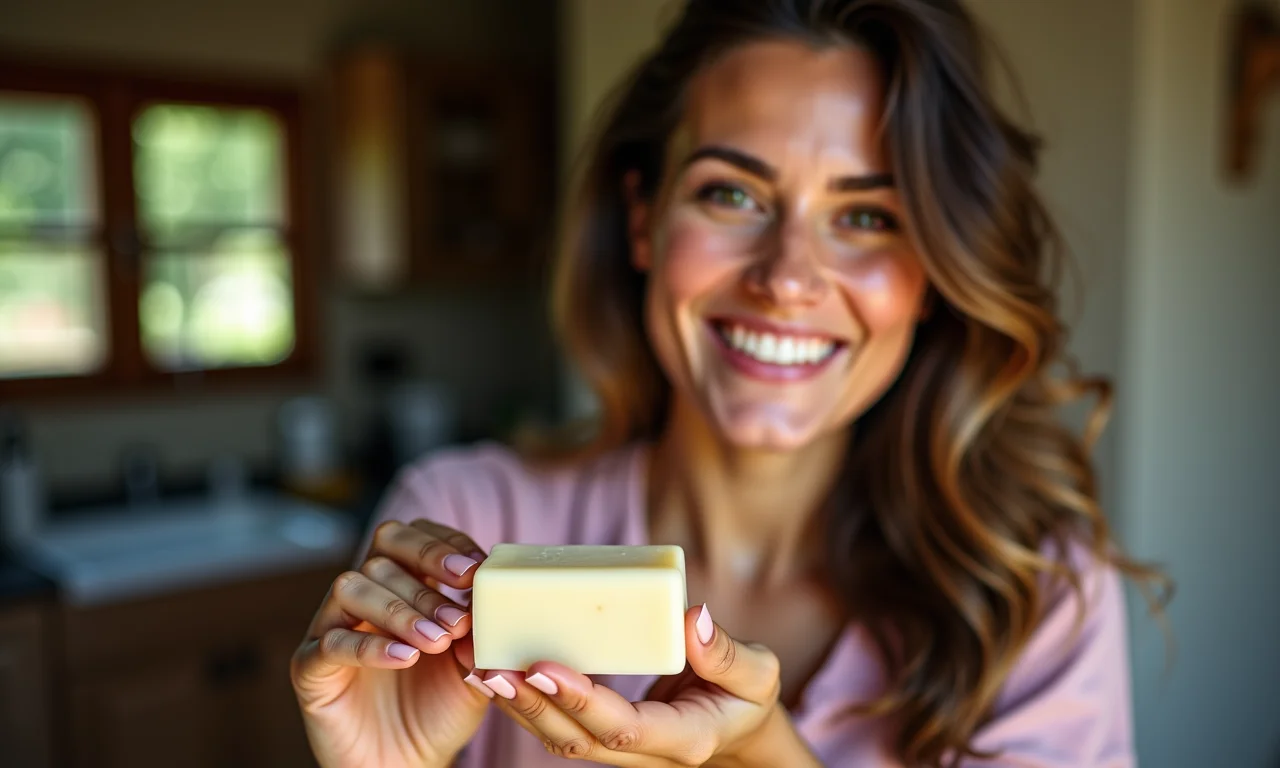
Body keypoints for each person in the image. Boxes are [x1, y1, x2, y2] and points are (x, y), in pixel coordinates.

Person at [291, 0, 1167, 765]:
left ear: (934, 273)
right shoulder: (470, 528)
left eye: (867, 216)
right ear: (644, 221)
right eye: (732, 196)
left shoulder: (1032, 595)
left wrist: (765, 759)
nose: (788, 277)